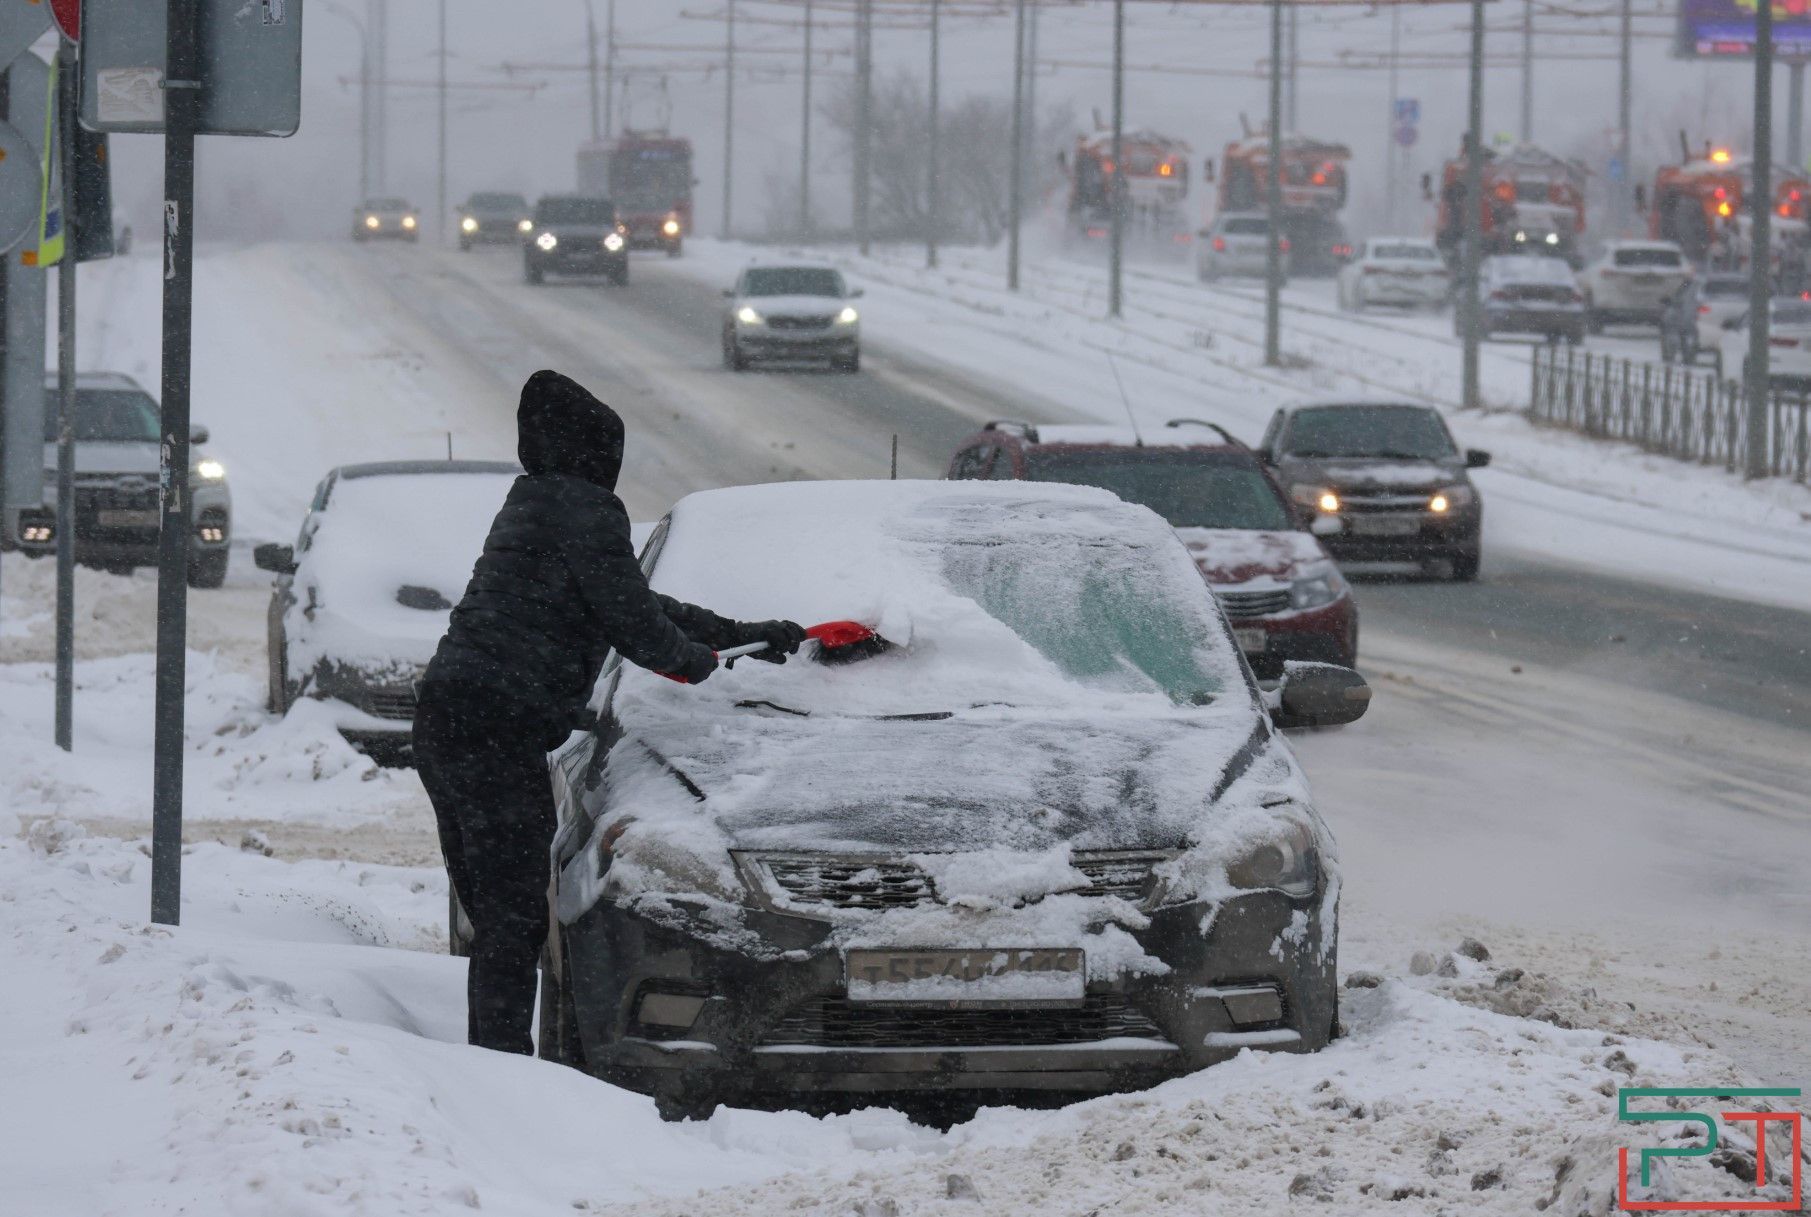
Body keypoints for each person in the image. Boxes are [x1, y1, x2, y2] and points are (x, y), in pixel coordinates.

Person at [413, 369, 805, 1054]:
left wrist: (742, 631)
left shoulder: (535, 502)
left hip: (449, 720)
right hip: (494, 729)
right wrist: (699, 661)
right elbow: (635, 621)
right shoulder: (585, 509)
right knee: (513, 918)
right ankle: (499, 1070)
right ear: (592, 449)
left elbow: (636, 601)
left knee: (497, 914)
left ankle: (489, 1058)